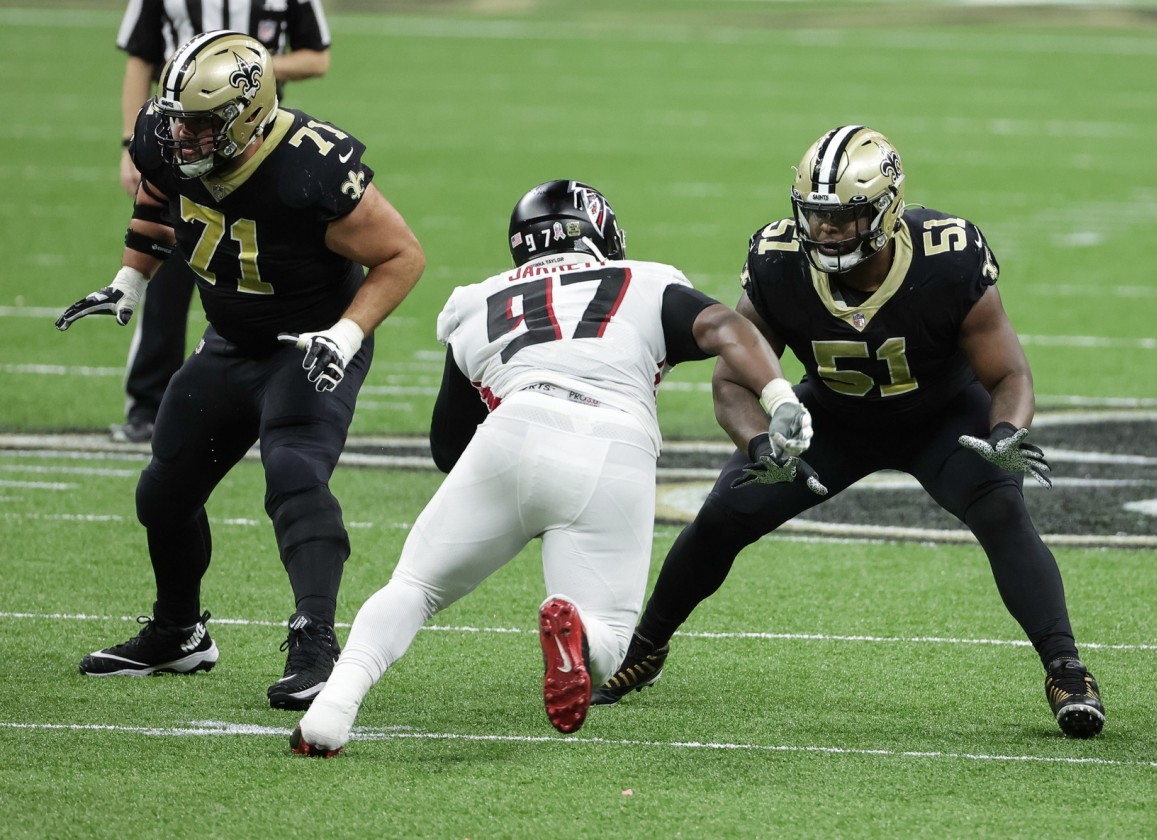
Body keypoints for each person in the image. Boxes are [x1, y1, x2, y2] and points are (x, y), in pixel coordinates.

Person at [589, 125, 1106, 739]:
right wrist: (760, 443)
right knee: (726, 512)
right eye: (815, 216)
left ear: (886, 211)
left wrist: (1006, 432)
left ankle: (1067, 671)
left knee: (1001, 511)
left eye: (843, 219)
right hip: (831, 419)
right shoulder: (779, 261)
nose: (825, 232)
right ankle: (645, 646)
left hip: (941, 418)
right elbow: (731, 383)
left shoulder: (948, 255)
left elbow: (1009, 373)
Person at [288, 179, 814, 756]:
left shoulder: (476, 300)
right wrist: (780, 398)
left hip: (514, 428)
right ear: (601, 234)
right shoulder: (642, 279)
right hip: (615, 442)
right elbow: (724, 329)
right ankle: (578, 635)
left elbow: (447, 446)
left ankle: (331, 711)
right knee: (611, 639)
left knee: (414, 587)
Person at [56, 31, 425, 711]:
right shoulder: (164, 139)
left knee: (293, 474)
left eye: (201, 125)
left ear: (249, 116)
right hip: (229, 339)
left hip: (309, 340)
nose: (182, 139)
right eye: (177, 122)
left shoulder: (308, 168)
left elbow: (402, 255)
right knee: (162, 493)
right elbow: (156, 202)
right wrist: (130, 281)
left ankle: (316, 646)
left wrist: (345, 335)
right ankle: (179, 634)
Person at [112, 0, 333, 443]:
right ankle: (147, 402)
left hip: (254, 146)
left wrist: (240, 80)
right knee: (163, 276)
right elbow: (142, 56)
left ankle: (280, 399)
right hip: (180, 142)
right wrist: (130, 141)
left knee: (261, 276)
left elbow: (317, 57)